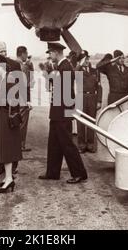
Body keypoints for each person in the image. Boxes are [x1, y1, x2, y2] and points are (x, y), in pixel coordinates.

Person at [39, 43, 88, 184]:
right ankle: (52, 172)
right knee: (54, 143)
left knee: (67, 144)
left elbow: (66, 93)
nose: (49, 56)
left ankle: (79, 173)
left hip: (62, 112)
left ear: (56, 52)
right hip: (57, 112)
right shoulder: (61, 66)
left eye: (50, 53)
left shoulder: (65, 66)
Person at [0, 52, 23, 193]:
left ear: (2, 66)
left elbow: (12, 100)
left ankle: (9, 179)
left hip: (6, 117)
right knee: (4, 146)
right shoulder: (4, 78)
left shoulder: (8, 79)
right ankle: (7, 177)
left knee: (7, 147)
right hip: (2, 115)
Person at [75, 52, 102, 153]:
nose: (86, 61)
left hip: (92, 97)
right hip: (81, 97)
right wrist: (79, 65)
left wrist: (99, 100)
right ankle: (81, 145)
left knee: (91, 121)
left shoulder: (95, 71)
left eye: (87, 59)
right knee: (81, 122)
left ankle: (90, 144)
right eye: (84, 59)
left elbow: (99, 87)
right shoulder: (77, 71)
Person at [16, 45, 34, 152]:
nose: (27, 56)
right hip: (22, 97)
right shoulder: (23, 67)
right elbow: (27, 84)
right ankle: (21, 144)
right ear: (23, 53)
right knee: (23, 122)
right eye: (26, 54)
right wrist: (28, 100)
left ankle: (16, 143)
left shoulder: (13, 64)